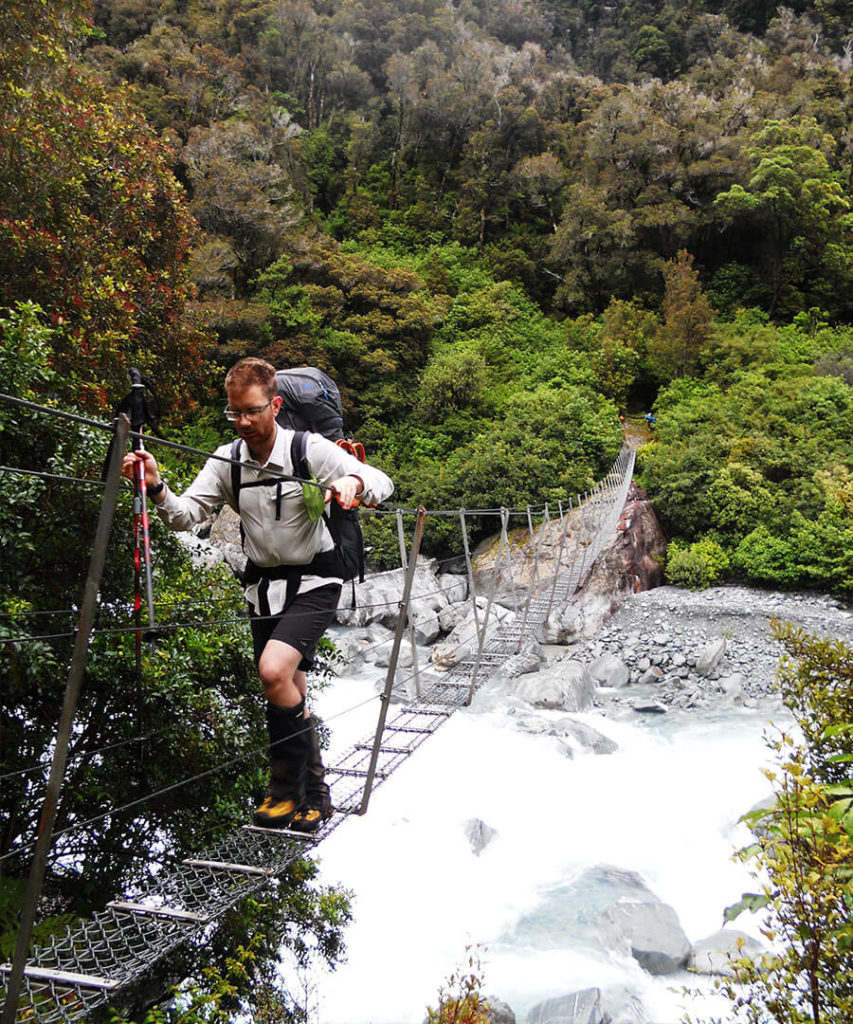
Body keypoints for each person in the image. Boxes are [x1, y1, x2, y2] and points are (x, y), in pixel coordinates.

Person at [122, 358, 394, 832]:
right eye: (234, 414)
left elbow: (382, 484)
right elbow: (187, 515)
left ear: (275, 405)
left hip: (315, 581)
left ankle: (284, 789)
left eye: (250, 411)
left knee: (272, 672)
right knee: (288, 689)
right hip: (262, 589)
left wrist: (352, 481)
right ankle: (315, 794)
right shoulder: (227, 460)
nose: (243, 422)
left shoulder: (309, 449)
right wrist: (157, 488)